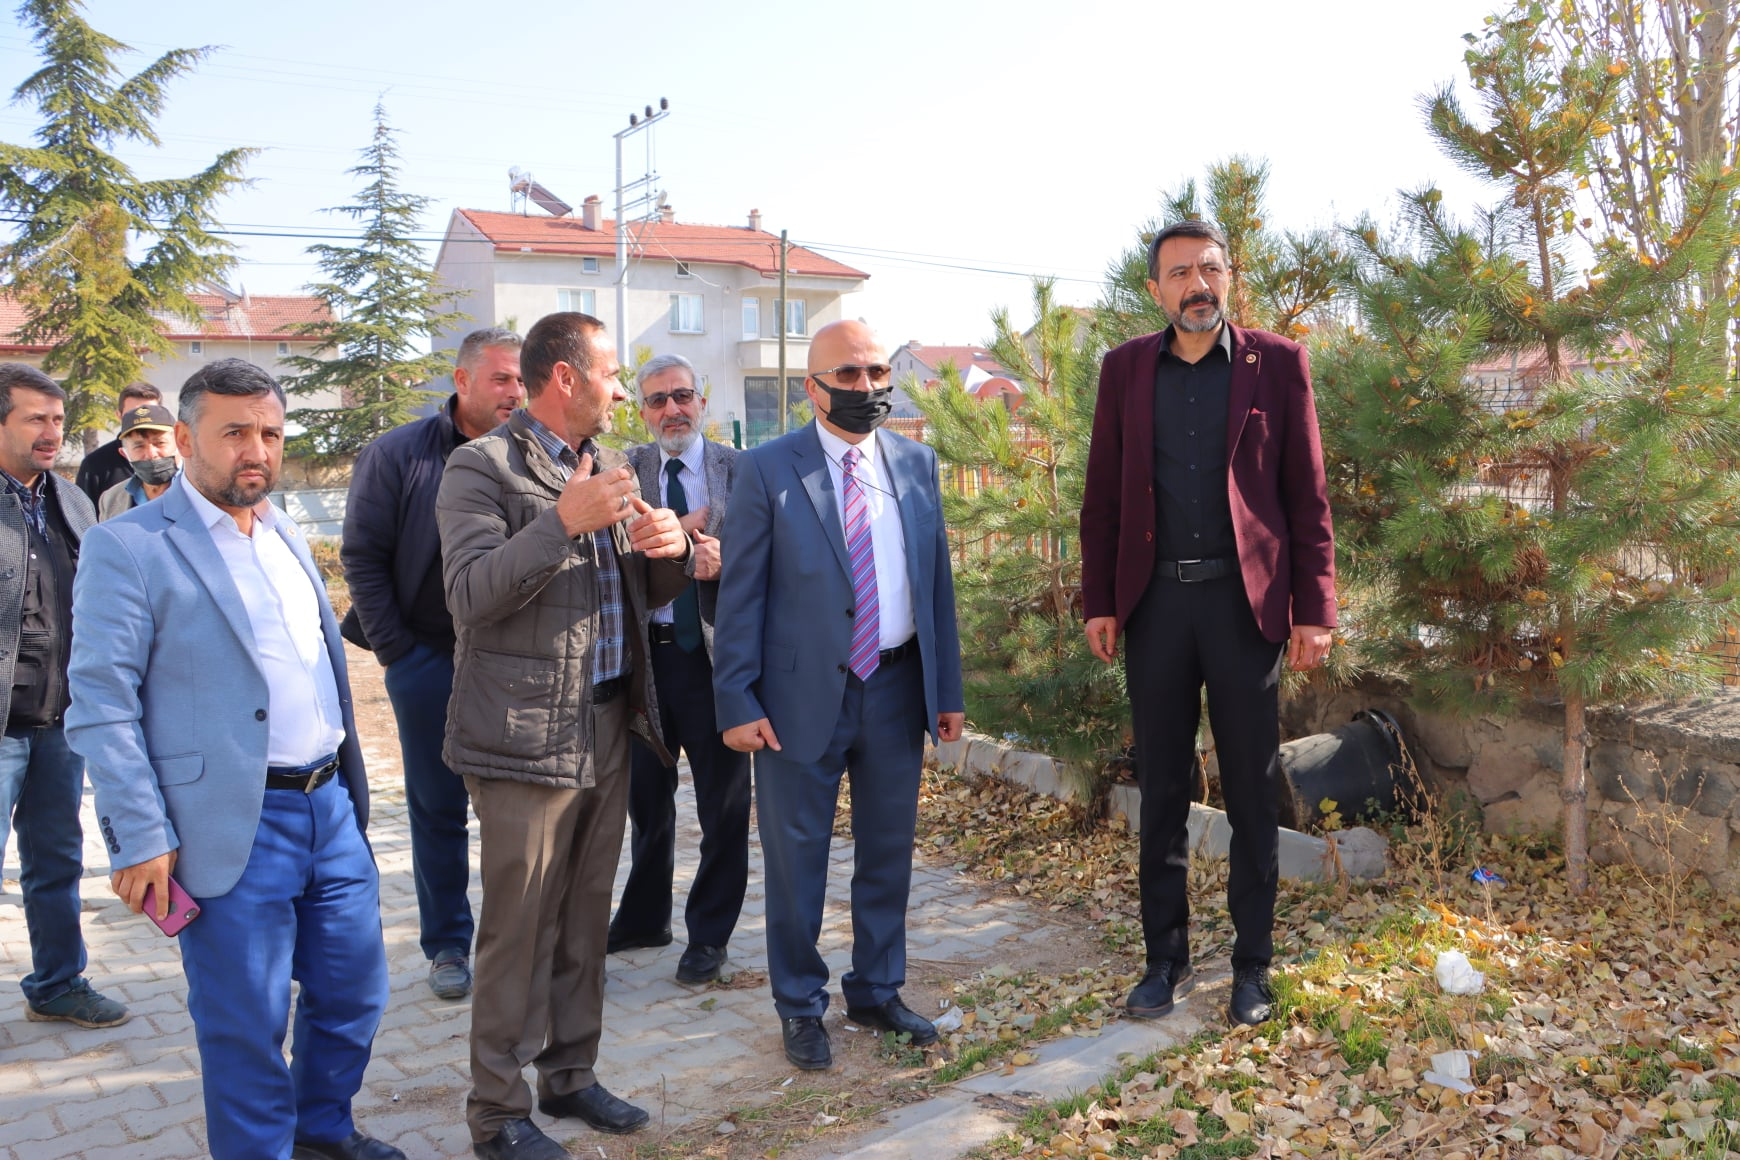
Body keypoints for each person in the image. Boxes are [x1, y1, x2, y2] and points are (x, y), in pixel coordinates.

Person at [66, 359, 401, 1160]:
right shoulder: (129, 547)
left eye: (271, 433)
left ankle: (322, 1130)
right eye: (236, 433)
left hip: (330, 810)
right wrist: (140, 832)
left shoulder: (283, 530)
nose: (258, 449)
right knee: (247, 1026)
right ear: (184, 440)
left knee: (355, 994)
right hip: (228, 825)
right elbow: (101, 701)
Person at [437, 311, 692, 1160]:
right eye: (614, 376)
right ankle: (497, 1111)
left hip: (610, 720)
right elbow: (470, 595)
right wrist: (561, 522)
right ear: (567, 379)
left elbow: (632, 593)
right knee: (519, 925)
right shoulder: (479, 468)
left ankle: (571, 1075)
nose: (625, 392)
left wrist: (667, 551)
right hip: (525, 736)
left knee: (586, 914)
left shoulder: (608, 466)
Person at [1079, 220, 1336, 1028]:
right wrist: (1101, 599)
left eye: (1211, 269)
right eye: (1181, 272)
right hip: (1155, 606)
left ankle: (1252, 967)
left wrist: (1314, 609)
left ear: (1231, 278)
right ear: (1155, 288)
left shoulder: (1278, 363)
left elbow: (1307, 498)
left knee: (1254, 791)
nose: (1198, 284)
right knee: (1161, 787)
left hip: (1244, 608)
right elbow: (1104, 499)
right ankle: (1165, 960)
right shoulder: (1124, 370)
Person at [713, 320, 965, 1072]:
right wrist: (737, 701)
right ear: (811, 387)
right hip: (794, 701)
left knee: (888, 851)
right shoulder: (766, 470)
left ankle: (877, 989)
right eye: (849, 375)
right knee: (798, 860)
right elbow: (740, 596)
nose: (867, 388)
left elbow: (935, 586)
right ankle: (800, 1004)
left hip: (894, 688)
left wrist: (944, 688)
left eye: (877, 372)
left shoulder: (917, 463)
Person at [342, 327, 525, 1000]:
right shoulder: (398, 455)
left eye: (522, 380)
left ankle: (519, 941)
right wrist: (398, 655)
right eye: (501, 379)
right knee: (437, 805)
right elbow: (360, 554)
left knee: (516, 808)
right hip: (427, 657)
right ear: (462, 379)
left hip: (512, 658)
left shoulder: (530, 453)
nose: (514, 392)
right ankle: (448, 943)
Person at [605, 354, 748, 985]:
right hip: (644, 665)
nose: (672, 410)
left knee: (724, 806)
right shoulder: (621, 473)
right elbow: (607, 552)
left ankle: (709, 937)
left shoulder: (740, 472)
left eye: (683, 396)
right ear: (641, 411)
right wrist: (676, 536)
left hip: (715, 664)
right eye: (658, 400)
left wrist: (725, 562)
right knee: (646, 802)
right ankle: (644, 917)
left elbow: (769, 559)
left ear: (702, 403)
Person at [0, 365, 129, 1031]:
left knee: (55, 862)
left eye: (57, 420)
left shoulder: (72, 501)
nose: (52, 433)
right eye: (35, 420)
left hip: (59, 722)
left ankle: (57, 982)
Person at [75, 381, 163, 507]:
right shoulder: (95, 465)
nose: (141, 420)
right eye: (132, 414)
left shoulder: (179, 460)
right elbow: (84, 519)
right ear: (119, 416)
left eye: (149, 412)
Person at [97, 402, 180, 520]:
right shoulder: (111, 499)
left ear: (180, 443)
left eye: (160, 443)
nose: (151, 454)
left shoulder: (203, 491)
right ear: (124, 454)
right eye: (139, 446)